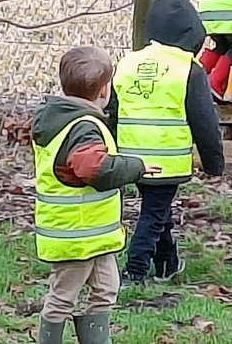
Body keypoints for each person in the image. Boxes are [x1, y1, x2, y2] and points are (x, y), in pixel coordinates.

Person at [33, 46, 155, 344]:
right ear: (104, 90)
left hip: (92, 235)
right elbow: (94, 169)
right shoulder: (83, 127)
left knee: (107, 289)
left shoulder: (61, 117)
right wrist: (136, 167)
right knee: (63, 297)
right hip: (76, 235)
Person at [108, 0, 225, 286]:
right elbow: (204, 120)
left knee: (156, 210)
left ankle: (167, 264)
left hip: (130, 155)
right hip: (167, 158)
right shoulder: (189, 69)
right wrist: (214, 162)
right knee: (153, 214)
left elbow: (112, 111)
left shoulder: (127, 63)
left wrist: (110, 154)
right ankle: (134, 272)